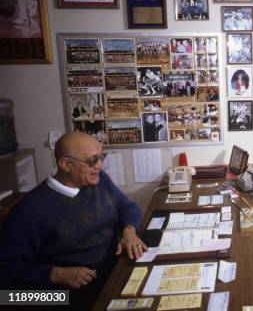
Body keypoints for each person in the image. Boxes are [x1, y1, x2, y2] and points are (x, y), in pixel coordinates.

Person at [0, 132, 145, 310]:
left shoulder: (98, 181)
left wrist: (129, 231)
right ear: (66, 164)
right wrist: (56, 274)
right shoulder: (29, 211)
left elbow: (128, 207)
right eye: (92, 161)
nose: (99, 165)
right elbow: (6, 275)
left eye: (101, 157)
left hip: (114, 272)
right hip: (69, 295)